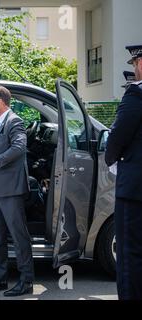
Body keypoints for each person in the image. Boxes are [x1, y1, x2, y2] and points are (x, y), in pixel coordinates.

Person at [0, 86, 34, 297]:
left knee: (19, 237)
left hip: (10, 189)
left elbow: (19, 148)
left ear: (0, 103)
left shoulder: (14, 122)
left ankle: (26, 281)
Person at [105, 44, 142, 300]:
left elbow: (117, 135)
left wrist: (111, 158)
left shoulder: (136, 96)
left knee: (130, 253)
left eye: (136, 63)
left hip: (135, 189)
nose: (135, 68)